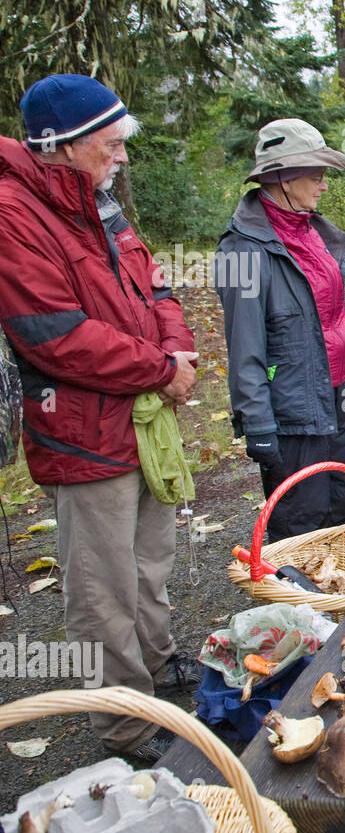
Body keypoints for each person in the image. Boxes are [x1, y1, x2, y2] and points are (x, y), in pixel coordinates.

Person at [0, 74, 201, 764]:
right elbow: (53, 334)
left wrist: (176, 345)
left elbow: (157, 284)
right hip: (84, 434)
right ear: (64, 144)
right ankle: (126, 730)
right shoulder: (13, 213)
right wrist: (160, 368)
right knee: (100, 588)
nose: (122, 157)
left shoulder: (99, 200)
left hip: (140, 418)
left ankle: (161, 668)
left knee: (151, 560)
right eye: (112, 145)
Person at [215, 118, 345, 542]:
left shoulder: (315, 232)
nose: (323, 186)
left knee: (343, 505)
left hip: (341, 396)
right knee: (302, 520)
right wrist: (258, 425)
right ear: (281, 176)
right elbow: (244, 349)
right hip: (294, 413)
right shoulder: (239, 250)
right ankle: (300, 605)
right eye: (315, 175)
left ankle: (342, 602)